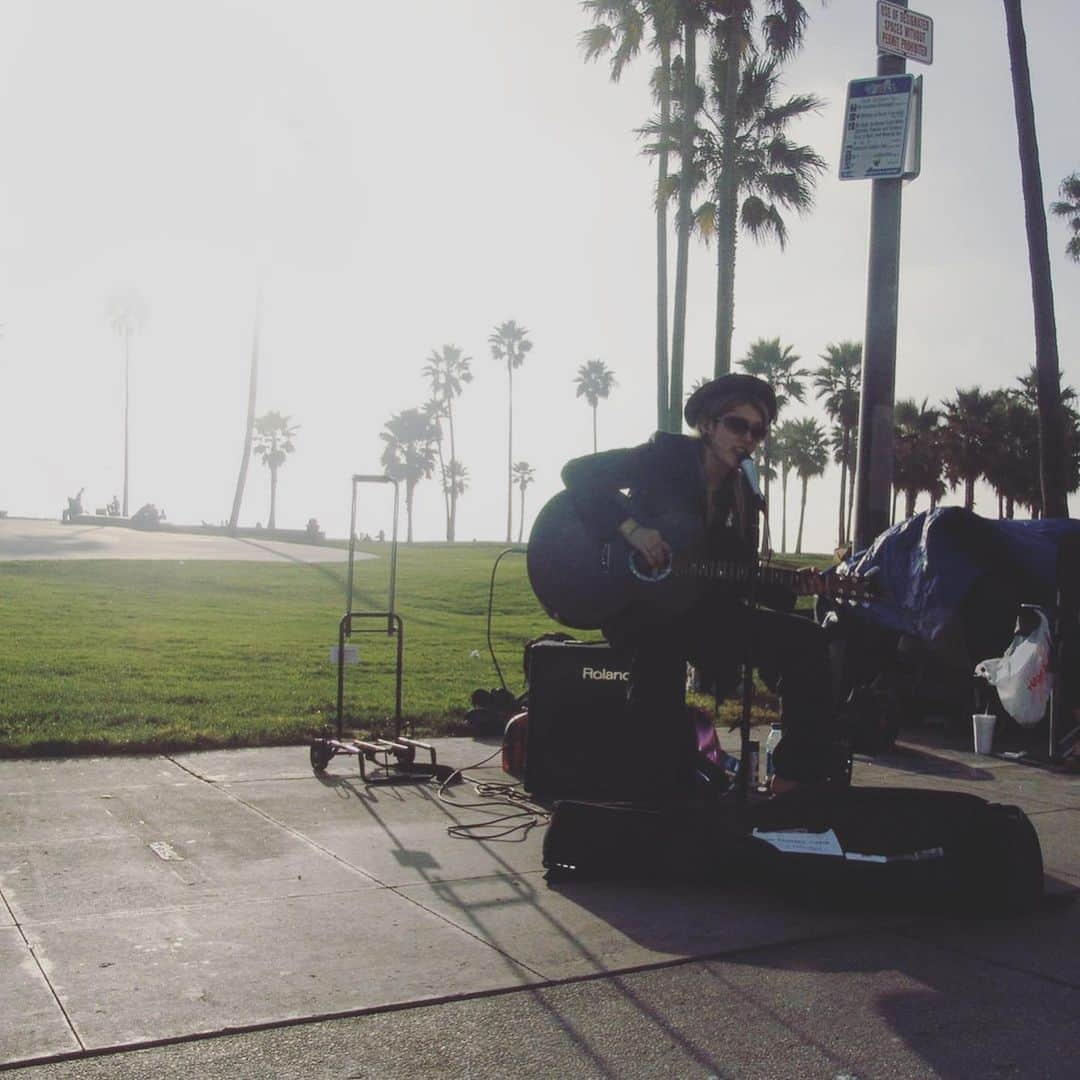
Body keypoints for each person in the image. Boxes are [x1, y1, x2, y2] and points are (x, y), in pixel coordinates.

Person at [560, 373, 843, 799]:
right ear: (708, 425)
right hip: (640, 606)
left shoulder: (744, 493)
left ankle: (793, 782)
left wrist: (795, 585)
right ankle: (652, 795)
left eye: (758, 431)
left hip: (703, 611)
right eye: (737, 425)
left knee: (806, 643)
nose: (748, 438)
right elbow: (577, 473)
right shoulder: (664, 456)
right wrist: (632, 529)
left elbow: (735, 576)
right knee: (660, 657)